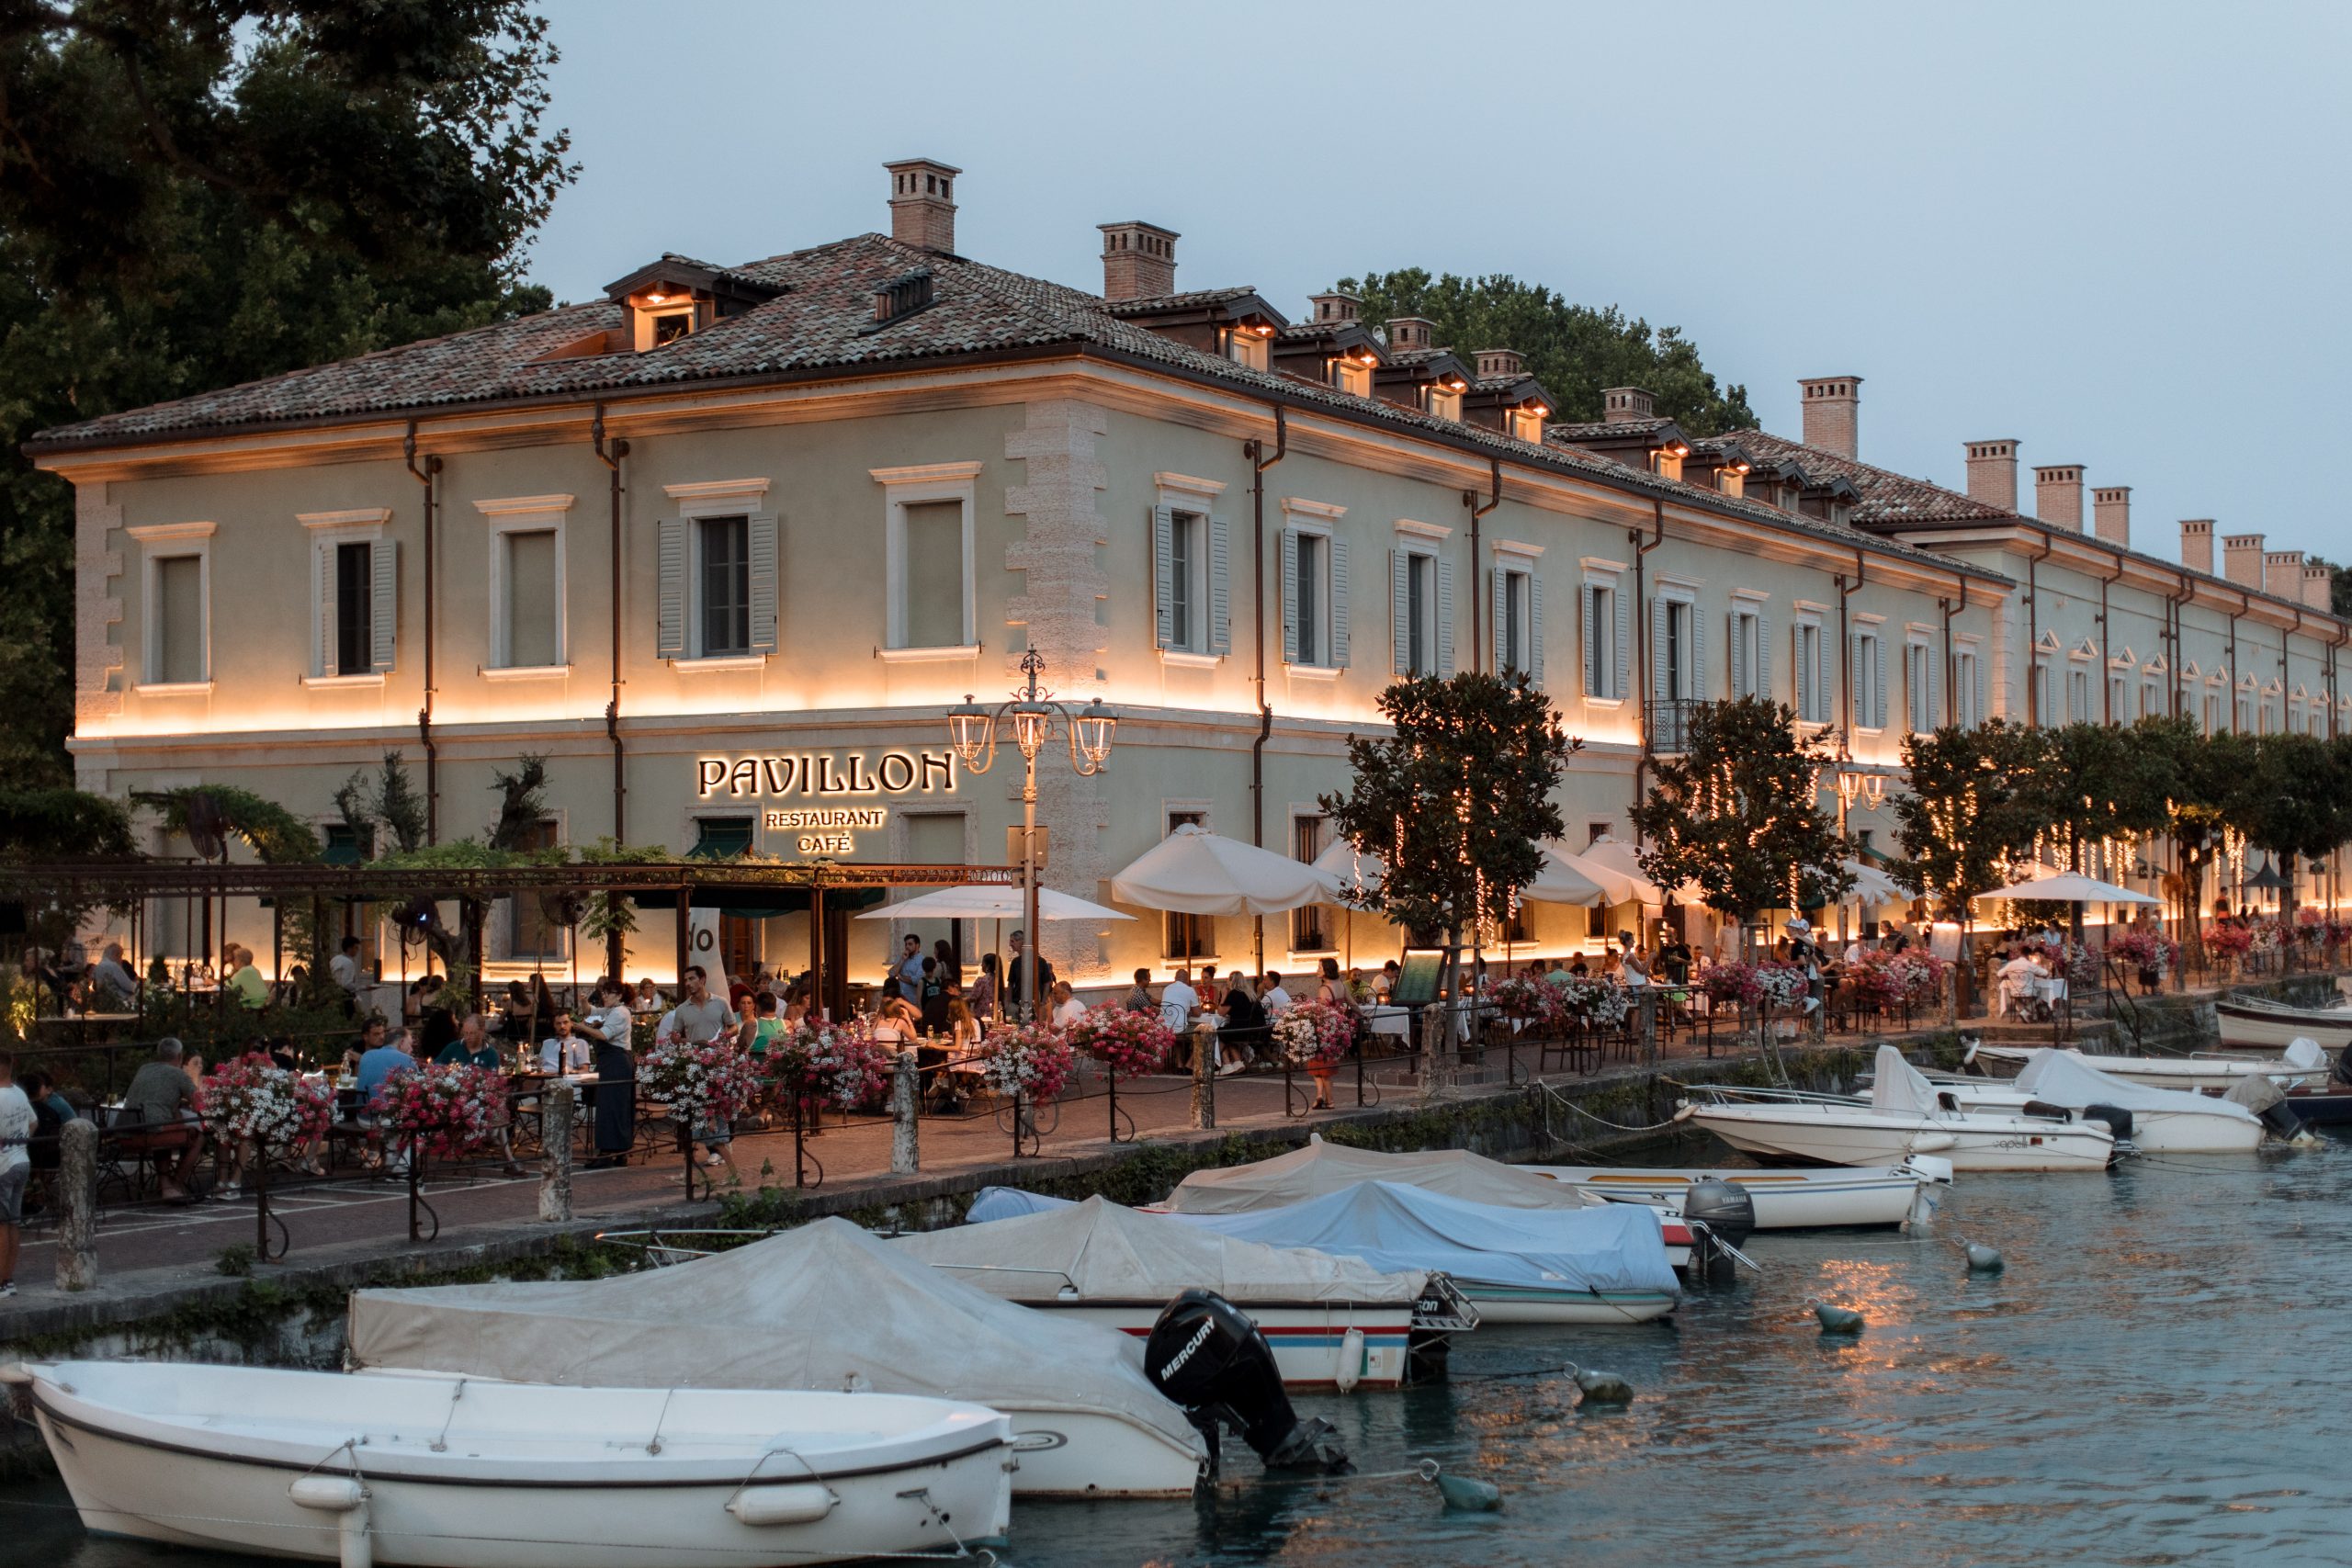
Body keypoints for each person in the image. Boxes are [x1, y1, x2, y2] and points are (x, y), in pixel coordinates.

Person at [120, 1037, 204, 1201]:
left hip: (126, 1129)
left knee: (167, 1125)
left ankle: (165, 1185)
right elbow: (199, 1104)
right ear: (179, 1056)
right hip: (152, 1130)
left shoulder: (144, 1068)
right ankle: (175, 1183)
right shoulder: (178, 1074)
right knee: (198, 1137)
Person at [582, 978, 637, 1169]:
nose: (604, 996)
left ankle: (606, 1153)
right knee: (616, 1106)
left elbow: (604, 1035)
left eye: (608, 993)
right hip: (613, 1062)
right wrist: (583, 1001)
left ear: (619, 996)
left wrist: (579, 1027)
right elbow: (591, 1012)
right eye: (603, 993)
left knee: (610, 1106)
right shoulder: (611, 1010)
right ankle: (620, 1153)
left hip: (616, 1062)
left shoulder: (620, 1012)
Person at [0, 1053, 30, 1298]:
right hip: (22, 1160)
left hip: (2, 1166)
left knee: (0, 1224)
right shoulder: (19, 1093)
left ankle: (0, 1281)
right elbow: (33, 1122)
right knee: (13, 1221)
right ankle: (8, 1279)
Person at [1218, 970, 1263, 1076]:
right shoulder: (1250, 993)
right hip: (1255, 1030)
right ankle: (1238, 1063)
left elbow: (1221, 1012)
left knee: (1218, 1032)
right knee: (1228, 1032)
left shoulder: (1234, 993)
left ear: (1231, 981)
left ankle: (1227, 1064)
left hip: (1241, 1030)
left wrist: (1224, 995)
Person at [1005, 931, 1056, 1017]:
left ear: (1022, 942)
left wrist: (1043, 1002)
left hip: (1036, 1005)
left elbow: (1047, 983)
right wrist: (1009, 1004)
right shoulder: (1015, 962)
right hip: (1017, 1005)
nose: (1010, 944)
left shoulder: (1040, 962)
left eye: (1013, 941)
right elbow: (1010, 983)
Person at [1160, 966, 1200, 1063]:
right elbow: (1197, 1013)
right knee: (1202, 1034)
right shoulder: (1190, 990)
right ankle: (1190, 1063)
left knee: (1177, 1031)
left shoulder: (1166, 989)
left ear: (1175, 978)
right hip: (1180, 1030)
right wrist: (1188, 1011)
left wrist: (1184, 1011)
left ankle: (1179, 1064)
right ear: (1187, 979)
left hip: (1164, 1028)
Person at [539, 1009, 593, 1074]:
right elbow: (538, 1065)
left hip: (563, 1078)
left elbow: (584, 1071)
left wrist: (570, 1072)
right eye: (558, 1023)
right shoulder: (547, 1043)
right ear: (554, 1025)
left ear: (572, 1023)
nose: (562, 1026)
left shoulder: (580, 1043)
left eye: (565, 1022)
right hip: (542, 1077)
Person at [91, 942, 139, 1010]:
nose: (121, 959)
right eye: (121, 956)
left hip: (104, 1002)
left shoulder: (98, 966)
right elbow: (128, 986)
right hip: (120, 1002)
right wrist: (137, 985)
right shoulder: (113, 966)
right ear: (115, 955)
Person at [223, 943, 268, 1010]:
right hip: (261, 1003)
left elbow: (227, 986)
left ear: (240, 961)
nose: (233, 963)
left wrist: (213, 985)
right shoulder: (254, 969)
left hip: (251, 1004)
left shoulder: (242, 972)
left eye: (234, 960)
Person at [919, 956, 950, 1035]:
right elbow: (918, 999)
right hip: (927, 1011)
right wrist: (921, 1013)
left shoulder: (938, 981)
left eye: (931, 971)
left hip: (938, 1011)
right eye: (927, 971)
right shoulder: (922, 981)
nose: (929, 973)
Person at [329, 936, 365, 1002]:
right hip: (345, 995)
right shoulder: (348, 963)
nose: (357, 951)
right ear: (349, 949)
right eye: (356, 948)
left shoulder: (335, 959)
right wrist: (361, 987)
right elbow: (346, 984)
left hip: (333, 992)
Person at [969, 953, 1000, 1023]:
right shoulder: (998, 980)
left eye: (982, 963)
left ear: (988, 966)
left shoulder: (982, 980)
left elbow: (973, 997)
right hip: (995, 1013)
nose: (981, 965)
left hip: (982, 1015)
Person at [895, 933, 925, 1003]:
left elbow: (916, 980)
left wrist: (900, 976)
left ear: (917, 945)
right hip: (899, 998)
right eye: (906, 944)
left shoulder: (922, 960)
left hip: (912, 1000)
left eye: (910, 944)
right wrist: (902, 960)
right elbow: (891, 974)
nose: (907, 946)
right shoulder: (901, 957)